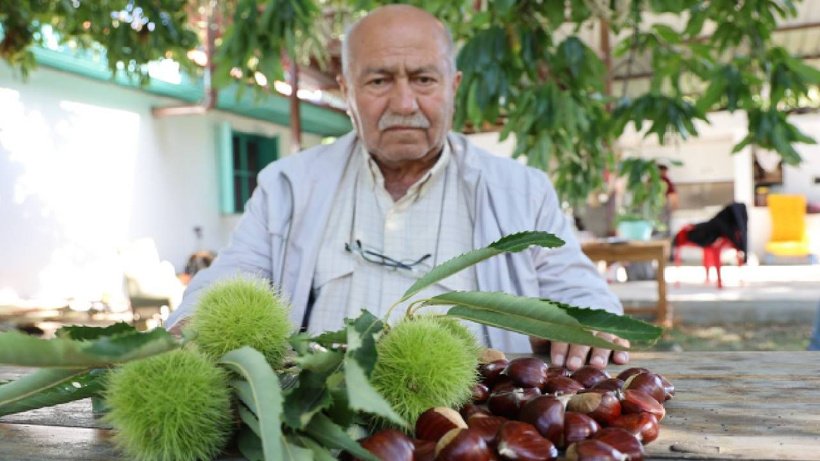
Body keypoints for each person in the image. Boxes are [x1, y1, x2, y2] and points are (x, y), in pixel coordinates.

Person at [166, 5, 629, 370]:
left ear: (454, 85)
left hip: (477, 426)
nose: (404, 103)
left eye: (424, 79)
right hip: (317, 421)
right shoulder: (288, 185)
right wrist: (195, 320)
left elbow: (578, 289)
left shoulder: (522, 191)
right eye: (380, 80)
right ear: (347, 89)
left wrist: (584, 319)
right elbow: (233, 275)